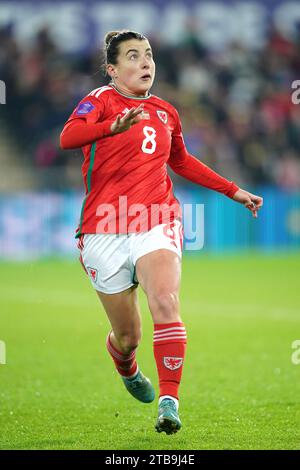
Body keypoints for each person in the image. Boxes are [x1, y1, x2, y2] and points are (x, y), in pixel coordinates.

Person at [60, 30, 263, 435]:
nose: (145, 63)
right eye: (133, 56)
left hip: (155, 218)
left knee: (166, 302)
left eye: (149, 55)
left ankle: (170, 401)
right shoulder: (99, 102)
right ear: (113, 69)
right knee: (128, 336)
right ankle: (127, 366)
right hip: (102, 228)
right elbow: (68, 137)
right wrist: (110, 127)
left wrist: (233, 190)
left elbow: (182, 161)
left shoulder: (166, 111)